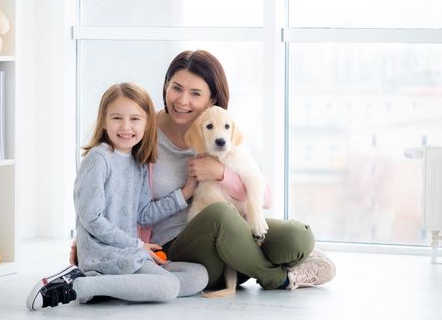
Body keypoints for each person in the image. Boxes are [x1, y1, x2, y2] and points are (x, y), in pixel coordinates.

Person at [72, 50, 336, 292]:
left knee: (296, 237)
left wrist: (221, 173)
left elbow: (265, 196)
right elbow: (110, 190)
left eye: (196, 93)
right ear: (166, 87)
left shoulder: (219, 131)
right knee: (218, 213)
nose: (182, 100)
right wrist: (88, 243)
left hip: (235, 231)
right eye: (176, 88)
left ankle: (268, 258)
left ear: (213, 99)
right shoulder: (141, 130)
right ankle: (278, 276)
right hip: (177, 246)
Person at [26, 83, 208, 311]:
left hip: (128, 253)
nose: (125, 127)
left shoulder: (138, 163)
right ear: (103, 120)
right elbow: (91, 218)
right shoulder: (98, 159)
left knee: (199, 275)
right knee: (168, 287)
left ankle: (106, 288)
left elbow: (143, 214)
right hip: (104, 256)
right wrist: (137, 245)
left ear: (147, 124)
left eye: (135, 119)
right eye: (116, 118)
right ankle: (78, 286)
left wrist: (185, 193)